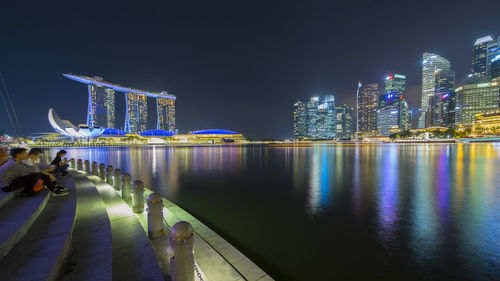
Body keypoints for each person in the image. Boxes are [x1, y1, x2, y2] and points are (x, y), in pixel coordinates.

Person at [1, 148, 68, 196]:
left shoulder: (16, 162)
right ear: (18, 155)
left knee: (39, 173)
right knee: (37, 174)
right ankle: (26, 192)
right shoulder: (15, 164)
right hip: (7, 186)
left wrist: (47, 174)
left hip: (10, 182)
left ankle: (54, 189)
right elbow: (35, 170)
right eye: (24, 153)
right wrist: (33, 161)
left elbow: (32, 168)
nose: (27, 155)